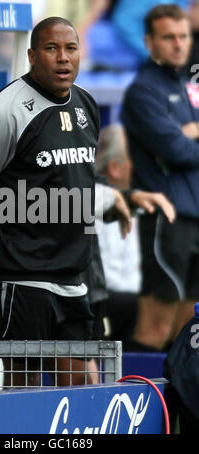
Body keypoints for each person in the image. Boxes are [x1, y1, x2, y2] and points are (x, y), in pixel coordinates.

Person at [0, 16, 175, 388]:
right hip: (20, 275)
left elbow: (78, 182)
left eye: (70, 48)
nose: (62, 58)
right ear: (31, 55)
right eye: (51, 49)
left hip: (73, 274)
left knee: (78, 385)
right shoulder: (3, 114)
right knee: (22, 387)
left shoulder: (86, 105)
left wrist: (114, 200)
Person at [121, 4, 199, 352]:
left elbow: (183, 144)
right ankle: (135, 401)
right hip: (167, 221)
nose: (179, 44)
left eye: (183, 36)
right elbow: (177, 151)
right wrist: (184, 137)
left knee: (187, 329)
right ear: (149, 42)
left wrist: (190, 133)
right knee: (157, 326)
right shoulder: (143, 91)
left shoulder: (189, 84)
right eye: (168, 37)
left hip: (194, 219)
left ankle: (177, 407)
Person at [94, 124, 141, 347]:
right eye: (133, 159)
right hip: (107, 305)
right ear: (115, 167)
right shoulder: (95, 205)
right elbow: (113, 278)